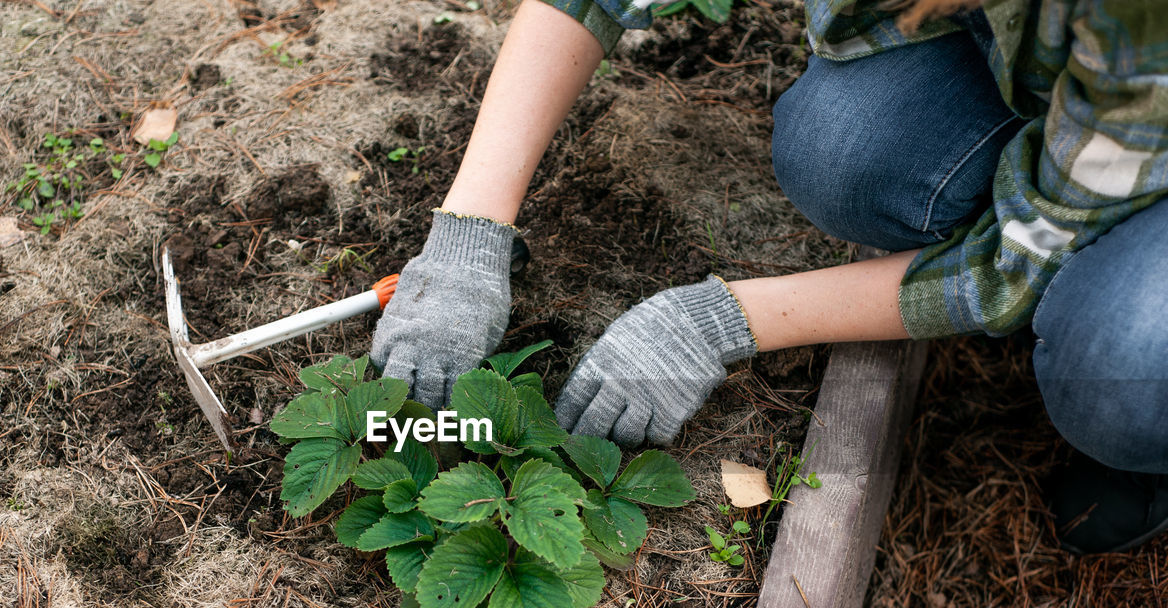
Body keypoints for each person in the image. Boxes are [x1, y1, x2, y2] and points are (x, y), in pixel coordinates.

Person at [369, 0, 1168, 555]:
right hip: (1091, 93)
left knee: (1124, 365)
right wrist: (471, 230)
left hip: (1145, 107)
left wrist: (721, 321)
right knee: (842, 150)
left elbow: (1017, 261)